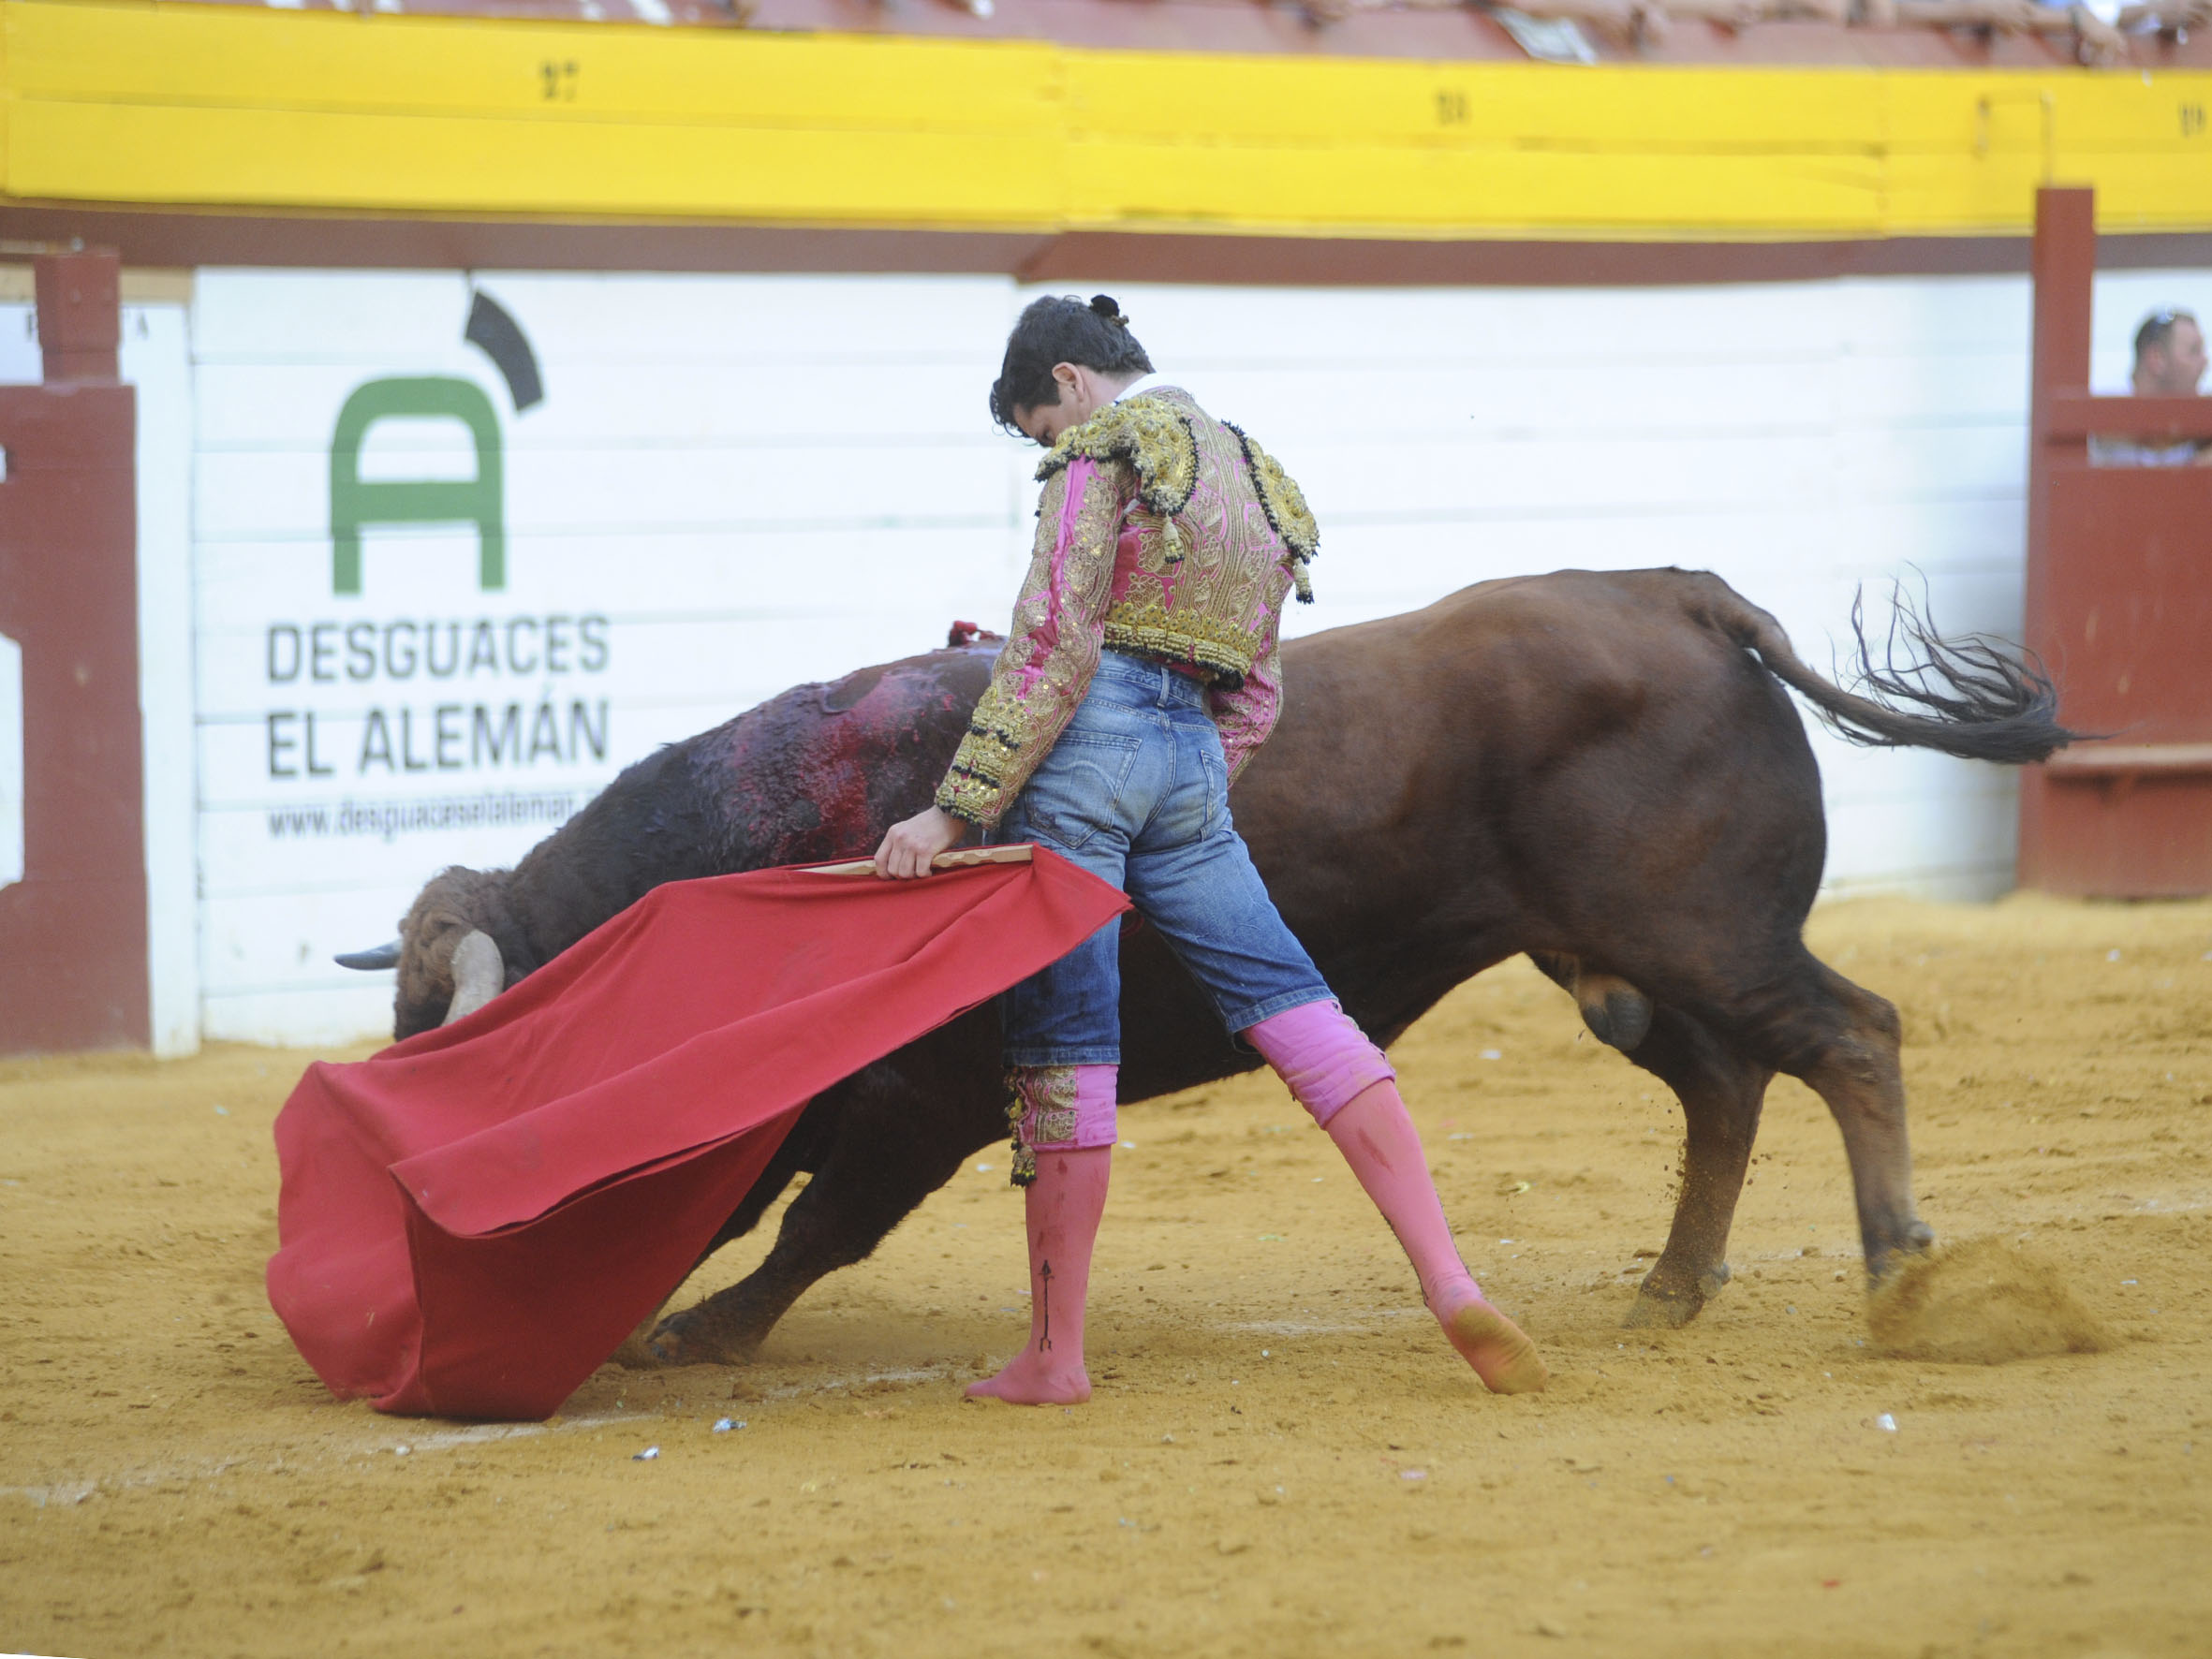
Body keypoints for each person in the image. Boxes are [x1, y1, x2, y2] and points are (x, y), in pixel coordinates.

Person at [872, 294, 1547, 1407]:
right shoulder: (1254, 472)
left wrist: (952, 810)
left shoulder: (1099, 455)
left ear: (1069, 382)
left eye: (1042, 424)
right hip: (1191, 761)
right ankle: (1449, 1278)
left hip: (1083, 761)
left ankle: (1055, 1355)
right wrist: (1176, 801)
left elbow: (1051, 646)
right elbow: (1259, 690)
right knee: (1300, 1008)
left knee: (1066, 1045)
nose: (1051, 441)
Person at [2090, 307, 2209, 466]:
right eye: (2194, 351)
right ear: (2157, 358)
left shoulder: (2201, 431)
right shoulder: (2104, 415)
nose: (2205, 361)